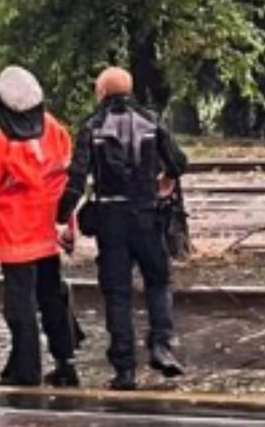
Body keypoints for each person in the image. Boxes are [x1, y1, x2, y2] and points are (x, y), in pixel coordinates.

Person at [56, 67, 188, 391]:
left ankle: (124, 368)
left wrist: (62, 214)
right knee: (158, 281)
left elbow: (76, 177)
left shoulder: (92, 126)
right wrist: (165, 179)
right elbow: (178, 161)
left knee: (117, 294)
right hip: (147, 214)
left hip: (111, 216)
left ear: (102, 92)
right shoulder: (151, 121)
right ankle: (161, 344)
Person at [0, 66, 81, 388]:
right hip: (48, 228)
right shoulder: (55, 129)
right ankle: (66, 362)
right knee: (52, 296)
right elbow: (66, 172)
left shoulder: (2, 139)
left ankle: (26, 368)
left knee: (19, 302)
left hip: (14, 230)